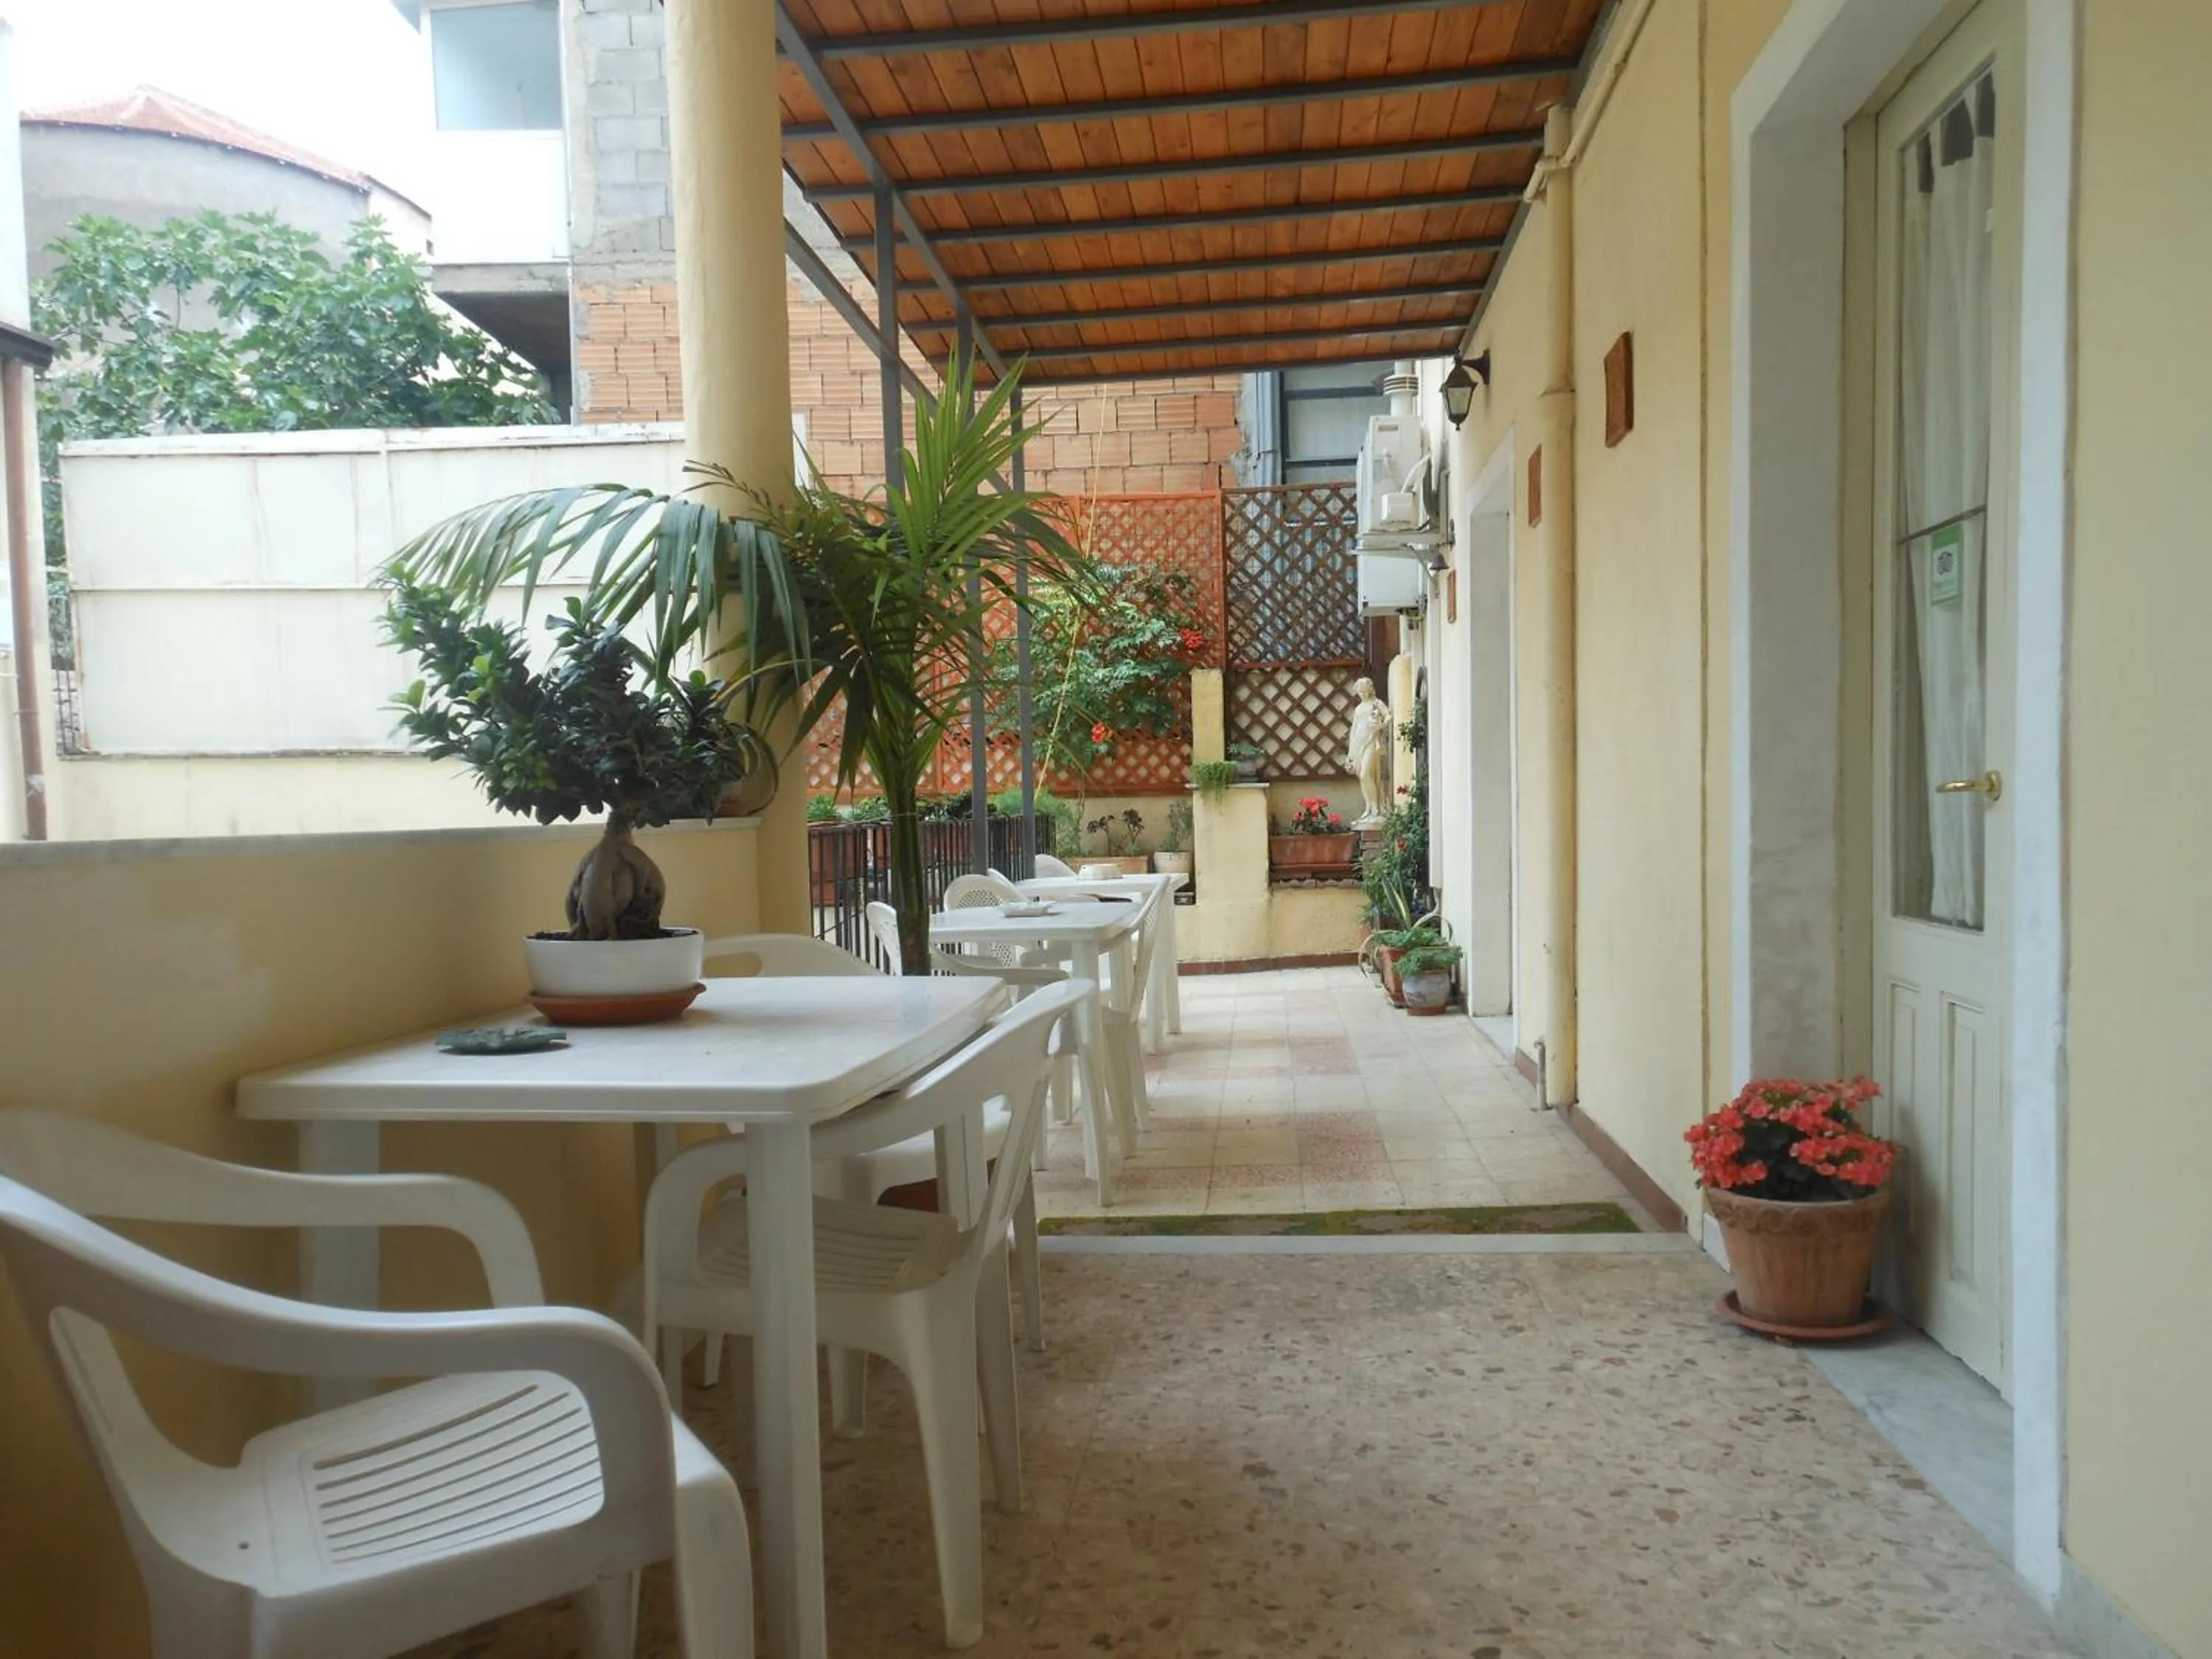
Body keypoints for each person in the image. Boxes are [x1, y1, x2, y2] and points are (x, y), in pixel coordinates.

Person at [1346, 677, 1392, 826]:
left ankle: (1376, 809)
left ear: (1369, 688)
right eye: (1359, 690)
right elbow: (1354, 730)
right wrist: (1350, 754)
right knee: (1362, 777)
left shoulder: (1377, 704)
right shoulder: (1359, 709)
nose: (1361, 692)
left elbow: (1389, 717)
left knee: (1367, 773)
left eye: (1363, 689)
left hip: (1372, 742)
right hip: (1359, 744)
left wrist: (1380, 726)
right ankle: (1369, 808)